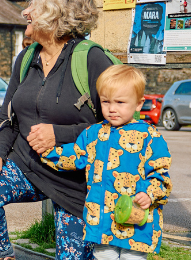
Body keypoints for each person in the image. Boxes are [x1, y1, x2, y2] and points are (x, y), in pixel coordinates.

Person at [0, 0, 113, 260]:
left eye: (33, 5)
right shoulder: (26, 57)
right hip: (27, 165)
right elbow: (8, 118)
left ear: (53, 12)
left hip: (75, 180)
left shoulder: (92, 60)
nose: (25, 12)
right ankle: (3, 255)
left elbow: (118, 130)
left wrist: (60, 134)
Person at [40, 65, 171, 259]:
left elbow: (161, 174)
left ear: (138, 104)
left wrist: (150, 194)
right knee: (103, 256)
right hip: (102, 223)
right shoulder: (93, 134)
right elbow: (74, 154)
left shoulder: (149, 136)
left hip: (135, 222)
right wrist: (45, 152)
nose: (112, 109)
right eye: (105, 101)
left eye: (120, 102)